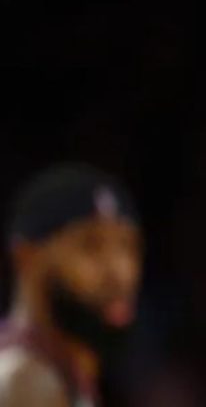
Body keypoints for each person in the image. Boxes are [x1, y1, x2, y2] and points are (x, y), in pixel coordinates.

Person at [0, 163, 143, 407]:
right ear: (27, 258)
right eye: (90, 246)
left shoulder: (56, 373)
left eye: (127, 247)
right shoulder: (28, 383)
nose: (118, 272)